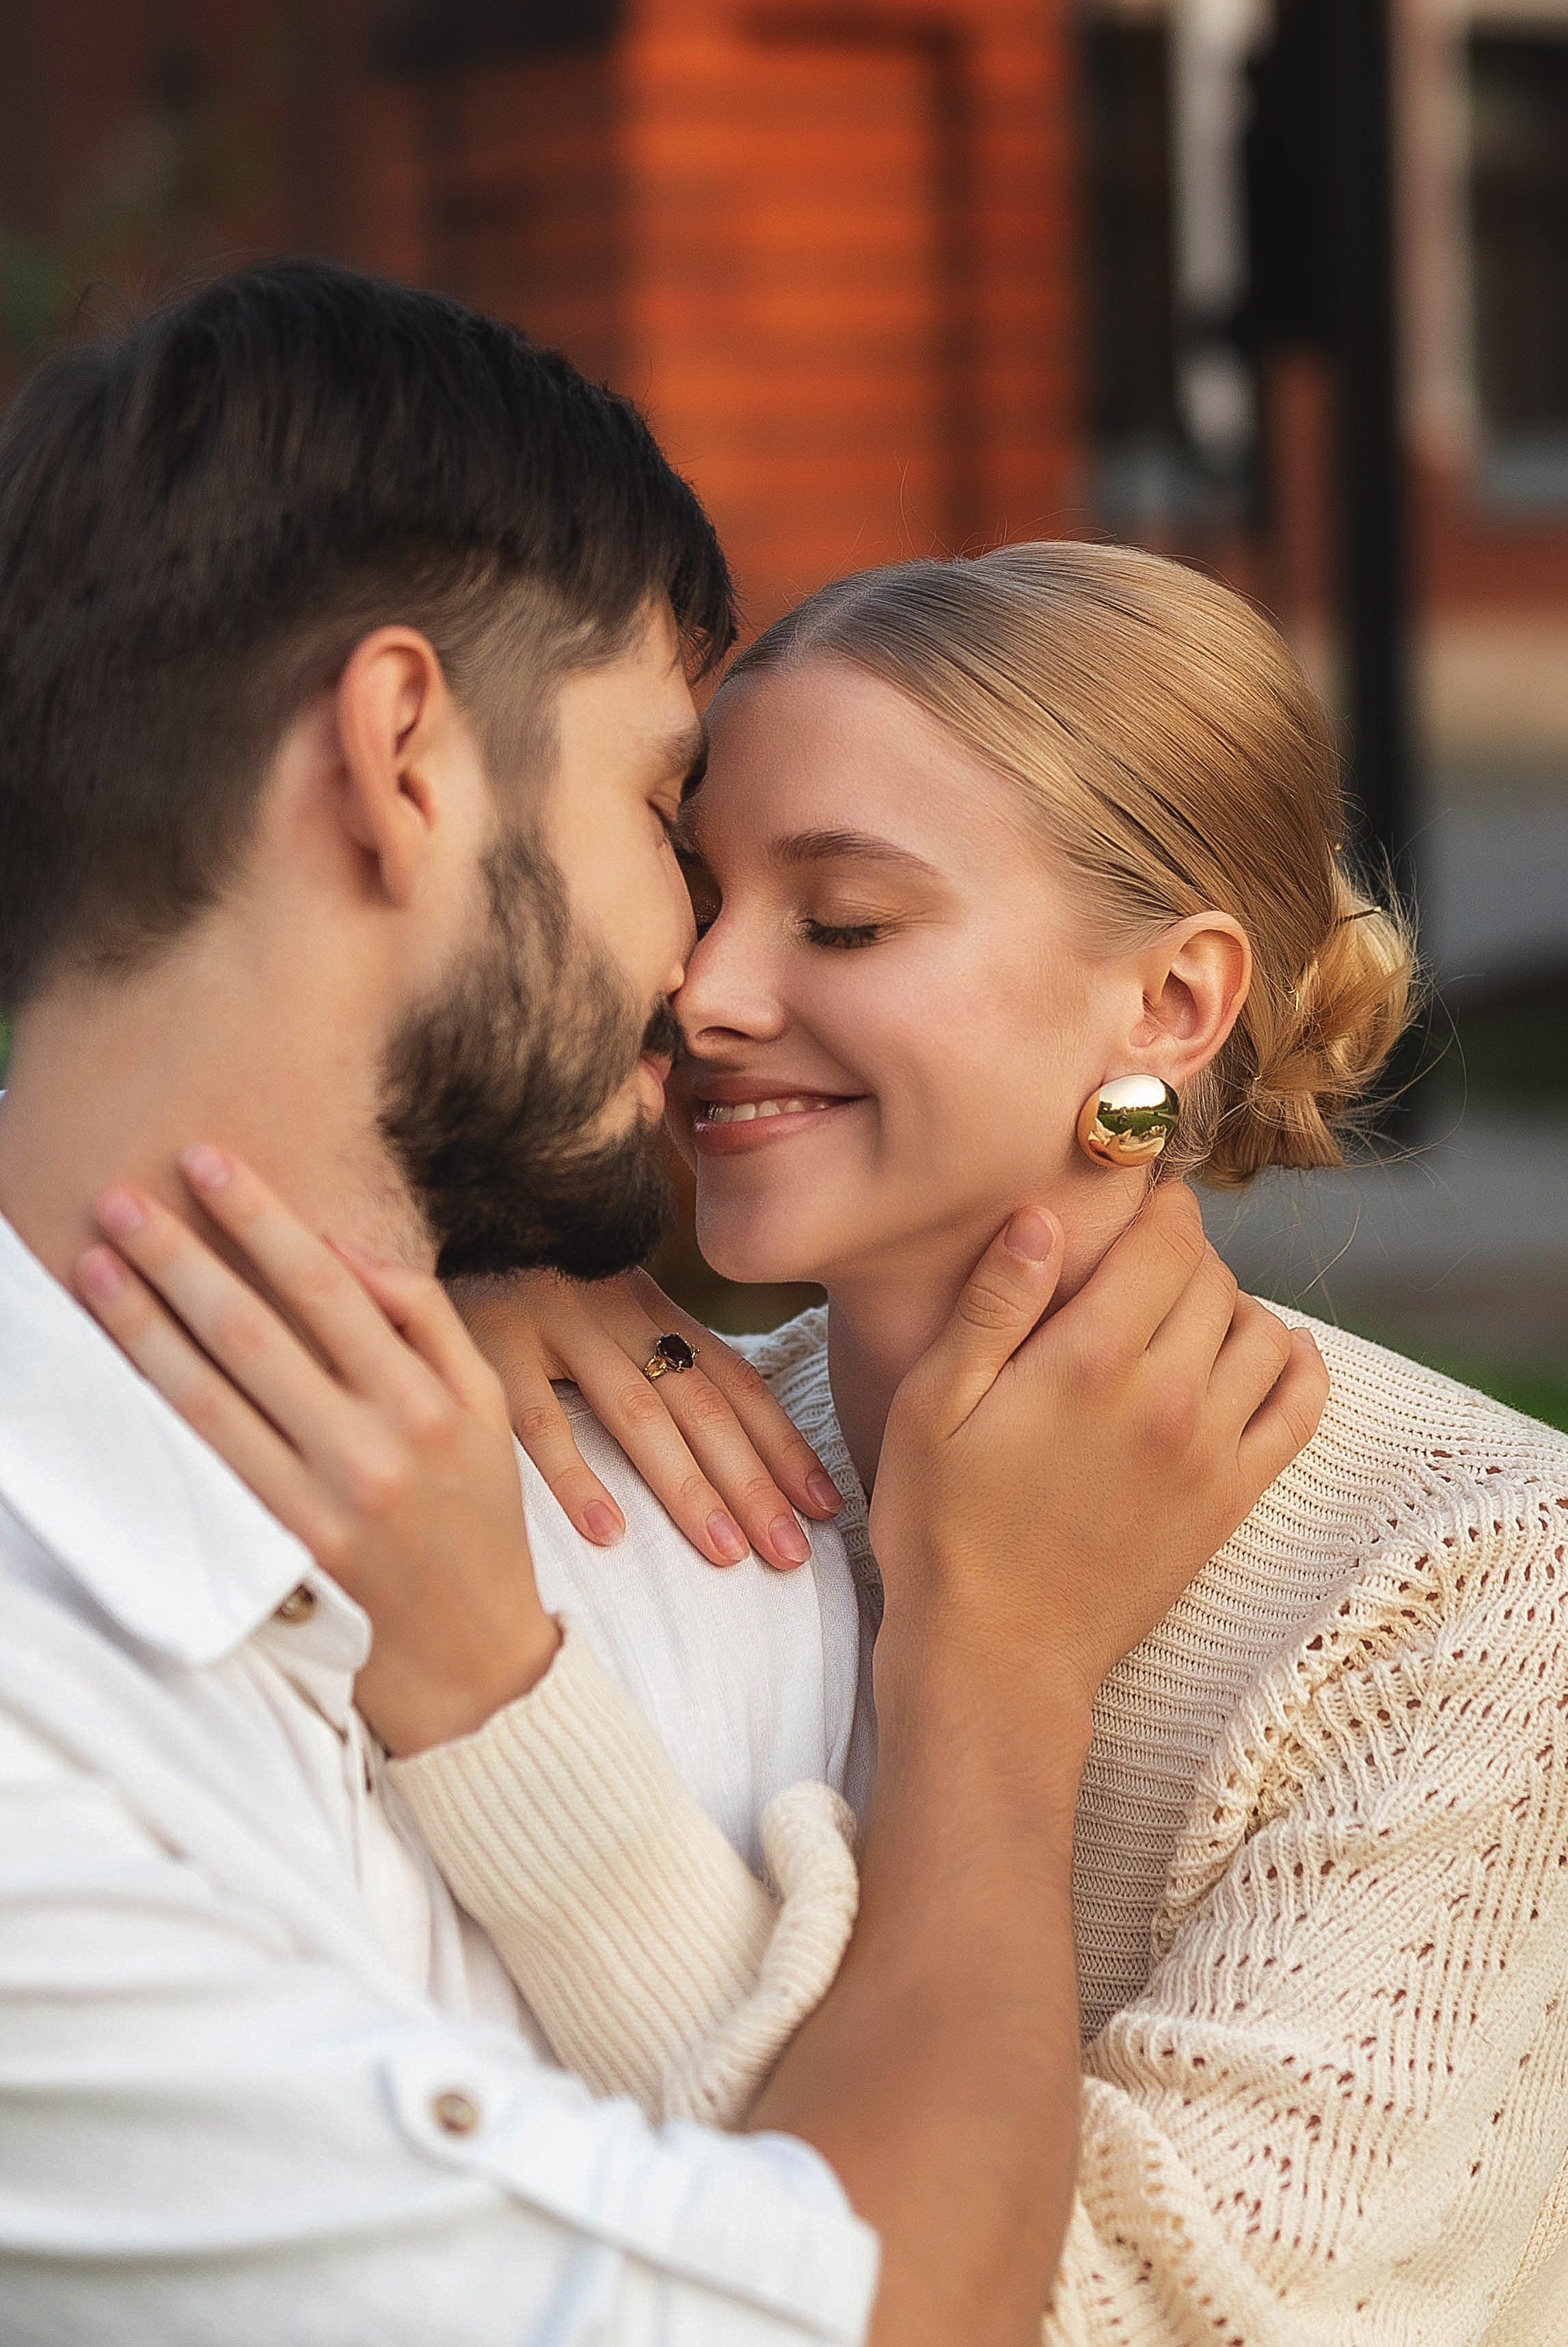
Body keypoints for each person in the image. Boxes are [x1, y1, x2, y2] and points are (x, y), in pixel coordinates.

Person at [0, 264, 1321, 2347]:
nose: (698, 982)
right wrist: (995, 1689)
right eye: (660, 819)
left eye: (837, 911)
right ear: (400, 755)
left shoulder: (683, 1507)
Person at [420, 544, 1568, 2344]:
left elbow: (1096, 2315)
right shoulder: (618, 1459)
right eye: (696, 896)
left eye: (844, 921)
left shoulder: (1479, 1584)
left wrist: (508, 1719)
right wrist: (422, 1268)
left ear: (1172, 1005)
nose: (705, 994)